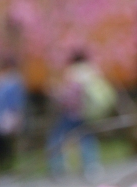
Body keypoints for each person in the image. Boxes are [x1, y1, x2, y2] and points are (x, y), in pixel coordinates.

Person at [47, 50, 116, 180]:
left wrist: (55, 93)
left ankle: (57, 167)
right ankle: (91, 166)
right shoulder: (92, 71)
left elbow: (68, 96)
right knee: (87, 139)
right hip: (86, 112)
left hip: (71, 113)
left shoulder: (73, 73)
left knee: (57, 137)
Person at [0, 56, 25, 172]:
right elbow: (16, 102)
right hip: (9, 115)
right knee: (9, 142)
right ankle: (8, 165)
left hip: (0, 115)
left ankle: (3, 164)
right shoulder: (14, 80)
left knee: (2, 141)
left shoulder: (1, 80)